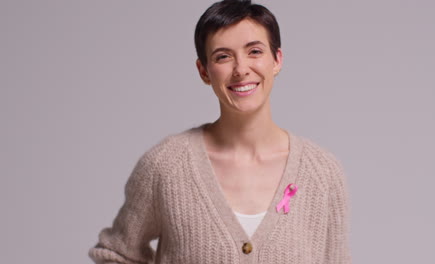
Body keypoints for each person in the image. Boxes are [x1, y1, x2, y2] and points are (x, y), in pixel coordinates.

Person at [89, 0, 352, 263]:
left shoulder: (322, 172)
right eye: (223, 56)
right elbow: (116, 253)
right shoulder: (165, 166)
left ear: (277, 60)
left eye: (255, 51)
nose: (241, 69)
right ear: (204, 71)